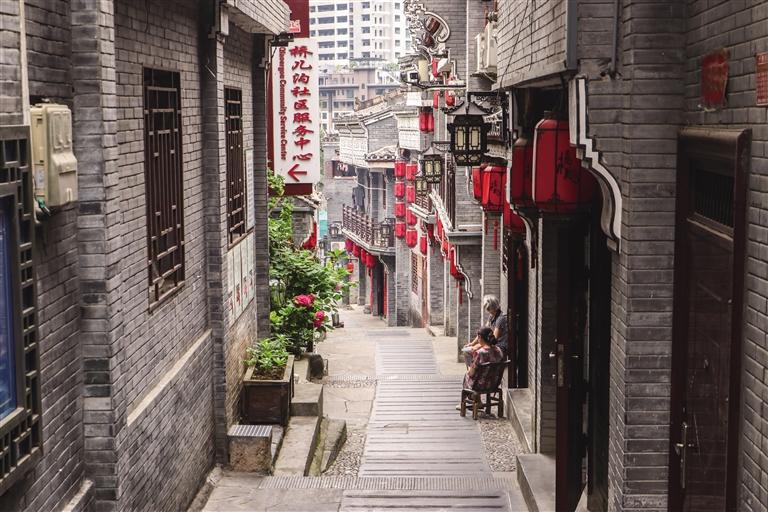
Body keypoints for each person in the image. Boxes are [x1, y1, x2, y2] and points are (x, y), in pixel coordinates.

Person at [463, 327, 503, 392]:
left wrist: (469, 369)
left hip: (480, 385)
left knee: (467, 375)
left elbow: (471, 373)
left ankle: (475, 397)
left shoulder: (479, 353)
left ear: (479, 337)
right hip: (494, 384)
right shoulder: (499, 350)